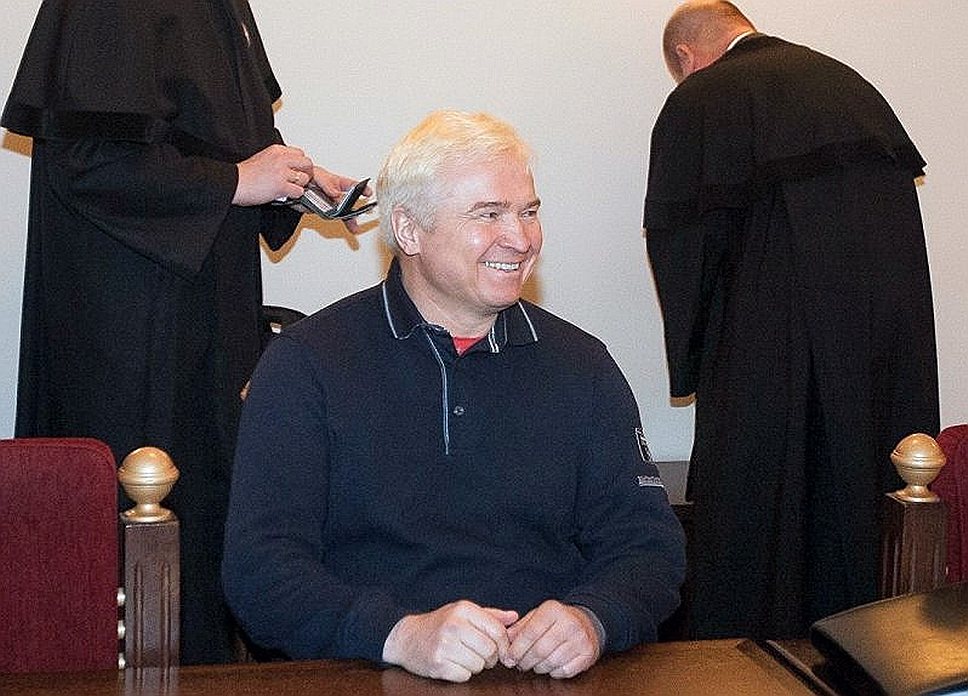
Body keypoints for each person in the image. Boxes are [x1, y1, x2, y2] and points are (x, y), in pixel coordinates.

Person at [222, 110, 686, 682]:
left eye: (529, 212)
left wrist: (594, 619)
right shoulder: (305, 364)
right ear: (409, 231)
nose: (521, 238)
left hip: (544, 679)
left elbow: (648, 547)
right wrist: (399, 636)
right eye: (488, 214)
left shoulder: (583, 366)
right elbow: (261, 571)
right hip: (366, 673)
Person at [1, 0, 363, 664]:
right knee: (138, 519)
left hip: (207, 317)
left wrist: (291, 183)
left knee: (211, 505)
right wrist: (235, 181)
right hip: (129, 327)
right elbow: (87, 161)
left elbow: (219, 142)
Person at [643, 1, 940, 640]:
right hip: (880, 353)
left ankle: (749, 663)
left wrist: (693, 357)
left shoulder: (703, 98)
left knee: (761, 507)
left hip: (768, 344)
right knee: (859, 501)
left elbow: (680, 241)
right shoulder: (852, 87)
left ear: (688, 57)